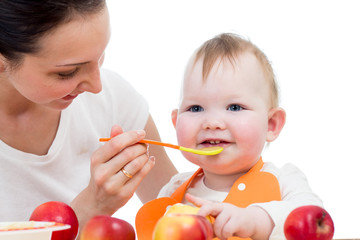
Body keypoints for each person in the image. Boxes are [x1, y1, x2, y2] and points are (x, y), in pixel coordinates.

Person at [0, 0, 177, 233]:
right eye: (67, 72)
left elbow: (180, 211)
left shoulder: (113, 98)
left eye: (101, 56)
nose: (96, 86)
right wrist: (93, 205)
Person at [135, 33, 323, 240]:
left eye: (234, 107)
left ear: (271, 124)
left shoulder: (284, 180)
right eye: (195, 108)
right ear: (176, 121)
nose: (212, 122)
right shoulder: (173, 190)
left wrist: (255, 220)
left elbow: (313, 217)